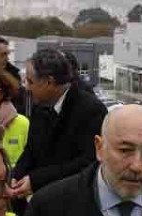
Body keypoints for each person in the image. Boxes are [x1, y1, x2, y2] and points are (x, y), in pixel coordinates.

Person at [12, 49, 106, 206]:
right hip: (42, 201)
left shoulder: (91, 110)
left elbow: (86, 164)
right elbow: (31, 149)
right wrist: (17, 176)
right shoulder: (41, 105)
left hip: (73, 204)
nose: (26, 88)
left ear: (49, 82)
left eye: (30, 81)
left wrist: (36, 180)